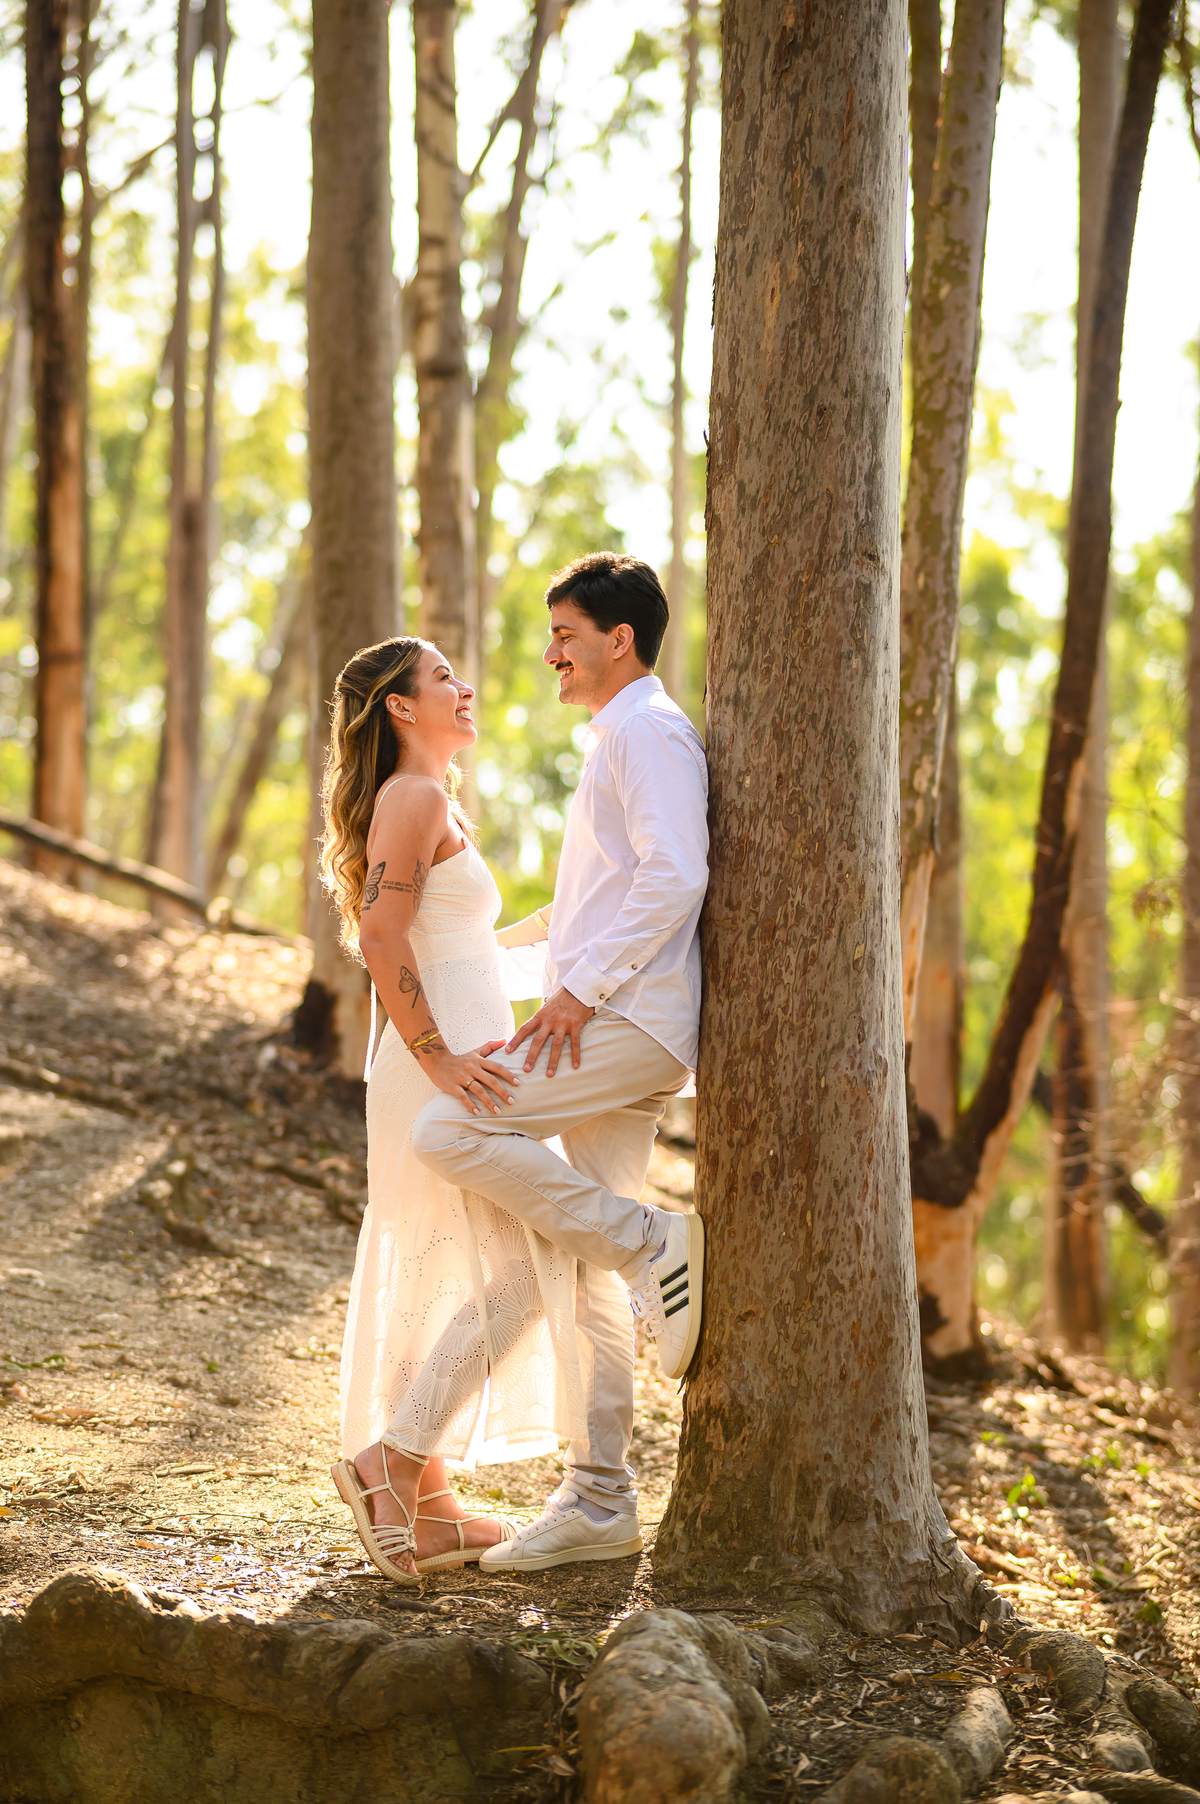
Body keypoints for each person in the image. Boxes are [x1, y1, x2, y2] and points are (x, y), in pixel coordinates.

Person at [411, 551, 709, 1574]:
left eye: (565, 638)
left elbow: (678, 876)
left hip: (627, 1025)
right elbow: (587, 913)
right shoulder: (617, 738)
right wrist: (474, 958)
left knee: (449, 1124)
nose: (549, 657)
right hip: (609, 1018)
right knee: (580, 1269)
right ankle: (599, 1497)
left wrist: (579, 994)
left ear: (617, 639)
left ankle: (651, 1241)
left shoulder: (650, 732)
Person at [326, 635, 583, 1585]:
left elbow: (456, 944)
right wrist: (436, 1057)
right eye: (443, 679)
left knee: (468, 1271)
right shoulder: (415, 796)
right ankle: (388, 1463)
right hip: (447, 1072)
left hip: (475, 1063)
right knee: (528, 1265)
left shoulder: (433, 804)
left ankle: (426, 1505)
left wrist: (574, 921)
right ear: (400, 708)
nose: (464, 688)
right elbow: (381, 932)